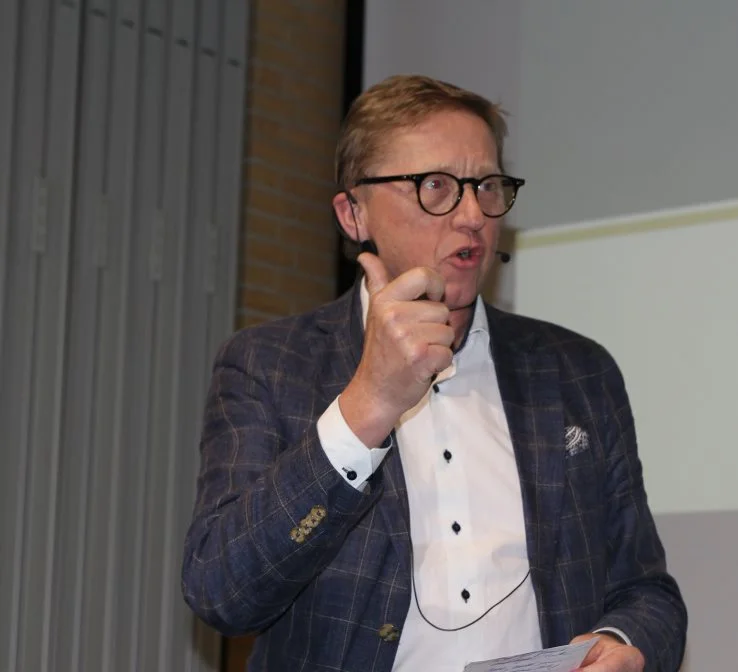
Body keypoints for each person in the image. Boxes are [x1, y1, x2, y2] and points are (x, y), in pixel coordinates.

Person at [180, 74, 687, 672]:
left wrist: (622, 644)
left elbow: (647, 591)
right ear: (353, 213)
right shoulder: (269, 365)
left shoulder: (577, 372)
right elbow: (221, 591)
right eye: (436, 187)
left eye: (488, 186)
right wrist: (368, 404)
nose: (473, 214)